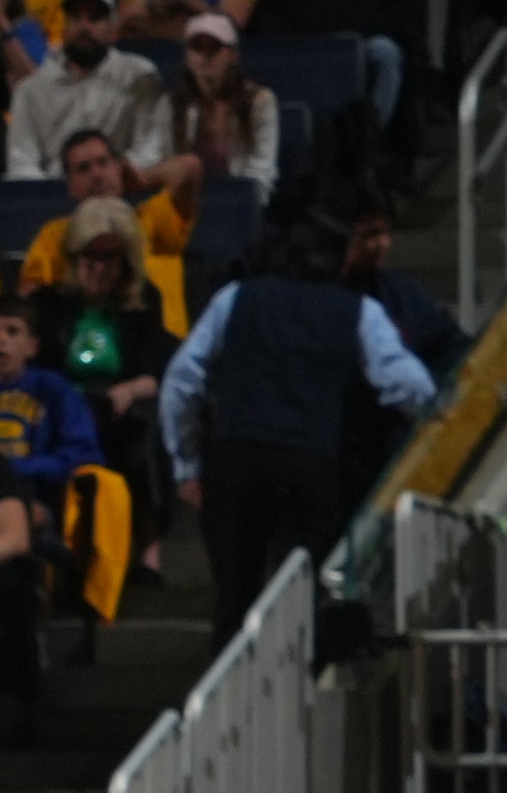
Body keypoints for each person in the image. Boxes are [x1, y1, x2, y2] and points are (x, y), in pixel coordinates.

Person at [161, 218, 435, 644]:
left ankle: (230, 702)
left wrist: (187, 464)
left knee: (234, 597)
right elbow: (412, 387)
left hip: (235, 461)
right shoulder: (359, 311)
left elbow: (181, 381)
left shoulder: (235, 299)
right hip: (311, 464)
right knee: (298, 598)